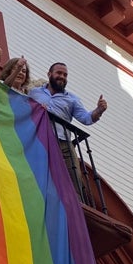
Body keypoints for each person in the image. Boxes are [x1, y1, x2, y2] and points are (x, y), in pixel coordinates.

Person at [29, 62, 108, 195]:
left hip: (63, 143)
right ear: (49, 74)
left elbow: (86, 118)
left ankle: (75, 205)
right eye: (59, 73)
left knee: (73, 176)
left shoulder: (72, 99)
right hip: (38, 138)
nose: (62, 77)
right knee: (36, 170)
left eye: (65, 75)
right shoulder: (34, 92)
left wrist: (99, 110)